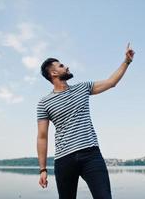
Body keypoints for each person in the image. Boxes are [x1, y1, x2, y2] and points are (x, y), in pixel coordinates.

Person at [37, 43, 135, 199]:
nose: (66, 67)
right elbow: (42, 136)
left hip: (91, 155)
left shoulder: (83, 88)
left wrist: (126, 62)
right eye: (62, 66)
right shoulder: (44, 103)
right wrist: (42, 169)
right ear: (54, 73)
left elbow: (111, 82)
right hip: (64, 159)